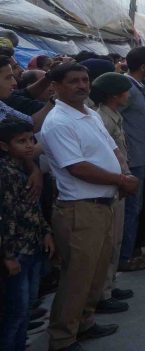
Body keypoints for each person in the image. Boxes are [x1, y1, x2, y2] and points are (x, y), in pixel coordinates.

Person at [42, 63, 140, 350]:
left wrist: (124, 175)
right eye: (74, 81)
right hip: (79, 210)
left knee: (96, 272)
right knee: (77, 278)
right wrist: (121, 179)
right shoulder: (58, 121)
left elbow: (112, 148)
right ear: (56, 86)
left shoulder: (89, 114)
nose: (82, 85)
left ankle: (84, 323)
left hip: (104, 203)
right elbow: (77, 168)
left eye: (85, 80)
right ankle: (61, 338)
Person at [0, 119, 55, 351]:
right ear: (4, 146)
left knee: (27, 307)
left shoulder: (24, 167)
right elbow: (6, 217)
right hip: (17, 252)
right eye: (20, 141)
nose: (29, 145)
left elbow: (32, 207)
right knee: (15, 312)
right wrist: (8, 255)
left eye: (31, 139)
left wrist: (45, 232)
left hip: (32, 246)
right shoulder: (5, 173)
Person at [90, 73, 136, 314]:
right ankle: (103, 293)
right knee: (109, 241)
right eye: (125, 91)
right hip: (112, 184)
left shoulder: (113, 115)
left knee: (115, 240)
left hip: (120, 182)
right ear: (114, 95)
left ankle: (110, 284)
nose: (129, 95)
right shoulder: (102, 120)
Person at [118, 46, 145, 273]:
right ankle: (125, 258)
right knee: (131, 209)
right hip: (133, 158)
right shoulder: (127, 90)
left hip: (141, 155)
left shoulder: (136, 87)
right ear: (143, 67)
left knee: (136, 208)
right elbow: (114, 118)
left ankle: (130, 252)